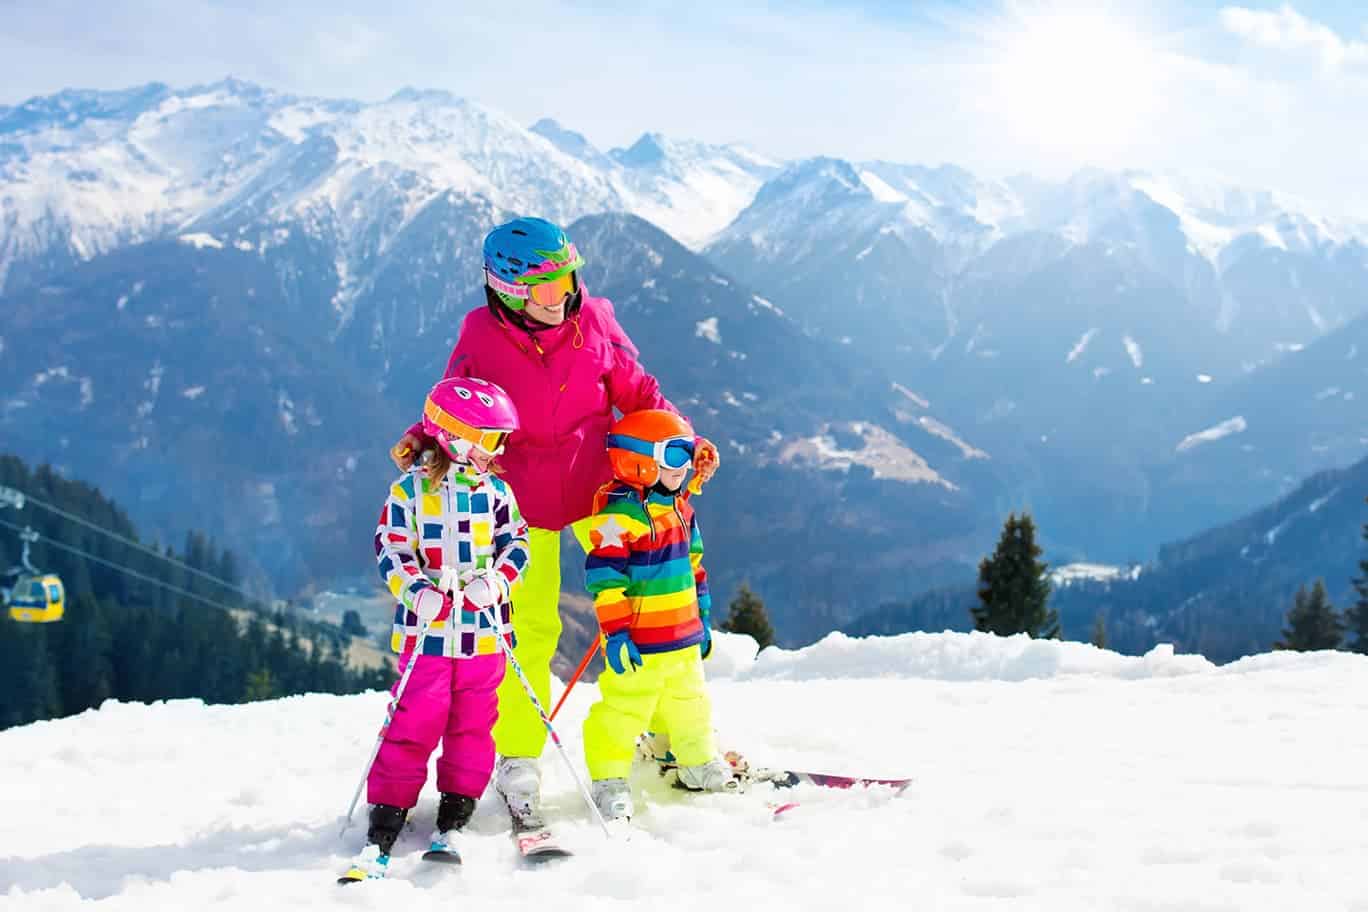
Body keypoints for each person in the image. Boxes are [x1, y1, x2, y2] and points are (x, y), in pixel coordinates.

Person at [389, 217, 718, 826]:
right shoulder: (480, 335)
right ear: (507, 291)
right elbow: (456, 403)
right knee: (529, 631)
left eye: (567, 278)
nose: (560, 296)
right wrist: (424, 443)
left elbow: (639, 392)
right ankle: (518, 756)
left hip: (604, 494)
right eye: (543, 287)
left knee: (650, 614)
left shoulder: (593, 319)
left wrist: (682, 440)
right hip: (521, 502)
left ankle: (666, 738)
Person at [343, 377, 529, 882]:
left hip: (483, 635)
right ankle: (388, 811)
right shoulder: (410, 491)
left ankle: (457, 809)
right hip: (427, 633)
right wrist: (415, 589)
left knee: (473, 724)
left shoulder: (496, 492)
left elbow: (518, 543)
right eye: (490, 439)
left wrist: (497, 581)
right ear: (454, 436)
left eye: (500, 440)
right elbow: (391, 548)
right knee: (413, 722)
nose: (498, 450)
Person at [581, 409, 739, 823]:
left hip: (683, 638)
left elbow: (695, 568)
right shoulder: (619, 517)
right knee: (623, 712)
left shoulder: (681, 510)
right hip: (640, 644)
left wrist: (702, 622)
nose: (685, 466)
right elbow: (605, 581)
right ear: (639, 459)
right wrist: (615, 634)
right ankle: (609, 778)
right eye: (674, 455)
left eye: (688, 453)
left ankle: (698, 760)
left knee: (691, 704)